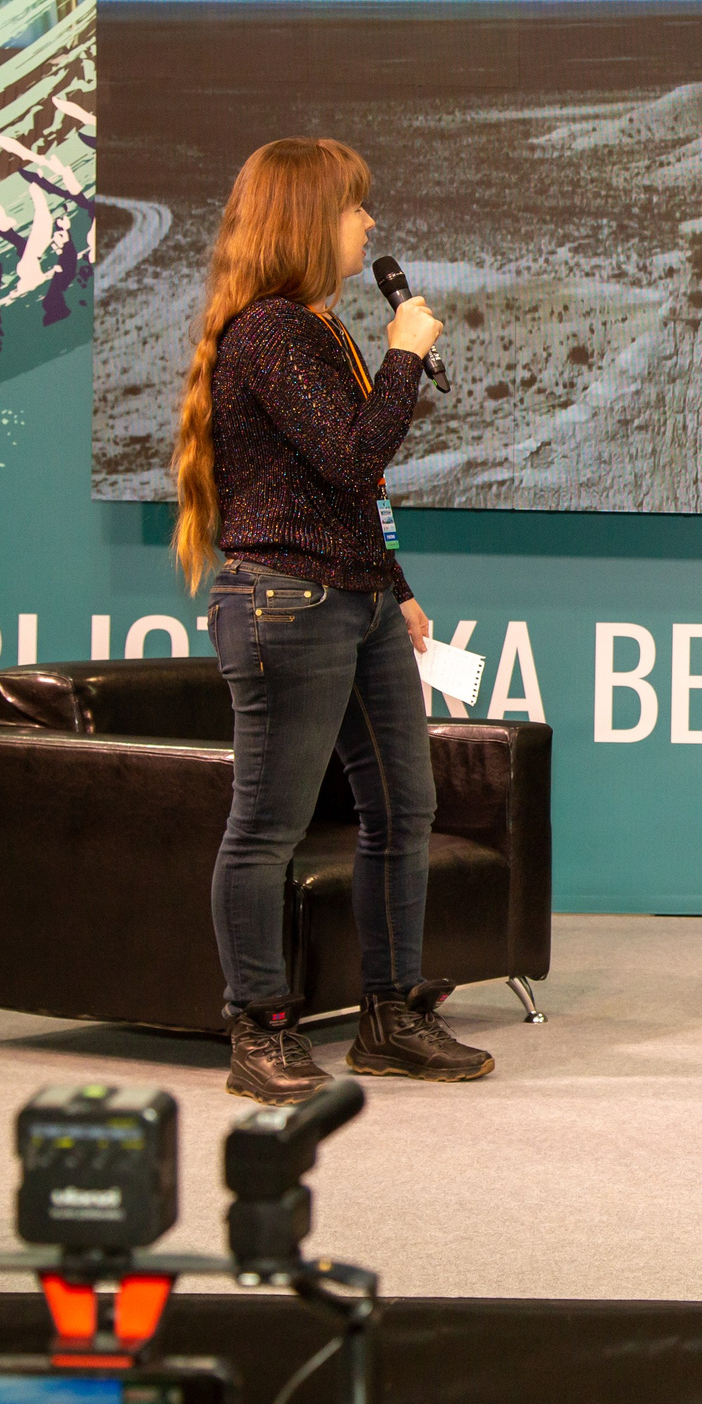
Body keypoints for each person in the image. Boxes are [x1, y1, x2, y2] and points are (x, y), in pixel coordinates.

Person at [169, 137, 494, 1103]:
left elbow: (351, 496)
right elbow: (352, 458)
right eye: (357, 208)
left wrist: (394, 585)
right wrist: (403, 356)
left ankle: (390, 1017)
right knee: (266, 825)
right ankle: (258, 1027)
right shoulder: (272, 333)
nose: (371, 225)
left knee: (405, 806)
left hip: (355, 601)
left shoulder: (316, 329)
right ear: (312, 220)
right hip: (287, 605)